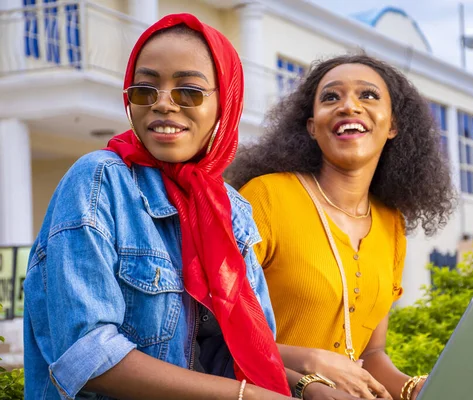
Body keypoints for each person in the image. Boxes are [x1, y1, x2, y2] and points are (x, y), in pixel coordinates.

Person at [23, 14, 358, 400]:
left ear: (224, 104)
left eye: (189, 91)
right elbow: (88, 354)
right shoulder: (99, 181)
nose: (163, 104)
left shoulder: (229, 209)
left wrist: (305, 385)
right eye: (145, 89)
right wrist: (246, 396)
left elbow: (227, 350)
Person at [227, 54, 456, 400]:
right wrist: (308, 374)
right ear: (311, 126)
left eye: (368, 95)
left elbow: (371, 354)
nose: (349, 106)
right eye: (331, 97)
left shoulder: (391, 223)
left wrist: (413, 388)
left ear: (393, 125)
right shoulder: (266, 197)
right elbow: (220, 333)